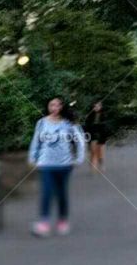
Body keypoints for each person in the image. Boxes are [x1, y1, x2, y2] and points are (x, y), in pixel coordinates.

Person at [27, 97, 86, 236]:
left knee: (61, 193)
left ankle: (62, 220)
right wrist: (32, 158)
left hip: (64, 164)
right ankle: (44, 223)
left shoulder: (69, 124)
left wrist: (78, 159)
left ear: (63, 107)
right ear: (47, 106)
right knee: (46, 193)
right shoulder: (41, 123)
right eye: (52, 105)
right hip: (46, 163)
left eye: (58, 105)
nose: (55, 108)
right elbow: (36, 141)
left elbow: (81, 141)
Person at [82, 100, 109, 171]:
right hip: (92, 135)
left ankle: (101, 164)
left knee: (100, 152)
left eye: (98, 106)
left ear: (101, 106)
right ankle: (93, 168)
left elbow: (105, 126)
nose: (96, 107)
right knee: (93, 151)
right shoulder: (89, 115)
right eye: (95, 106)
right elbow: (86, 126)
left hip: (101, 135)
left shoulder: (104, 115)